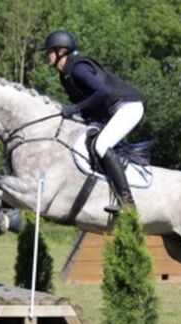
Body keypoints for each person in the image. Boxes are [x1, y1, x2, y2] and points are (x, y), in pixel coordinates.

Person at [43, 30, 144, 214]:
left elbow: (103, 93)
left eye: (49, 51)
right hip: (111, 112)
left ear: (61, 51)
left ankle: (127, 202)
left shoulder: (77, 69)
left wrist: (76, 108)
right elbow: (91, 104)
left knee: (102, 145)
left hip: (128, 107)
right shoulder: (65, 75)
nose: (45, 55)